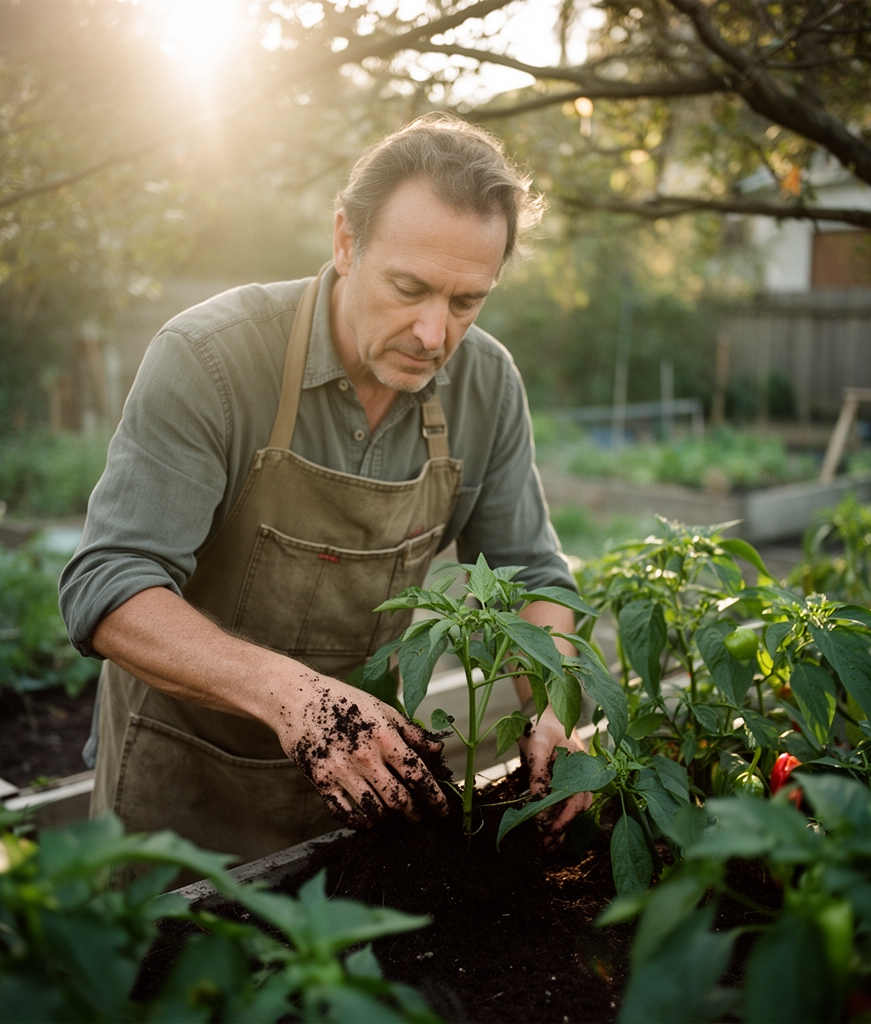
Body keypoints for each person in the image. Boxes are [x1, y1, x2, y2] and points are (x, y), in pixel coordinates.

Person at [60, 114, 591, 866]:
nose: (434, 333)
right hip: (181, 797)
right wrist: (295, 697)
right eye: (409, 288)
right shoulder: (211, 359)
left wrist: (554, 710)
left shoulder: (488, 384)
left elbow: (533, 574)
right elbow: (109, 587)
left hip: (363, 796)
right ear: (346, 242)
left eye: (467, 302)